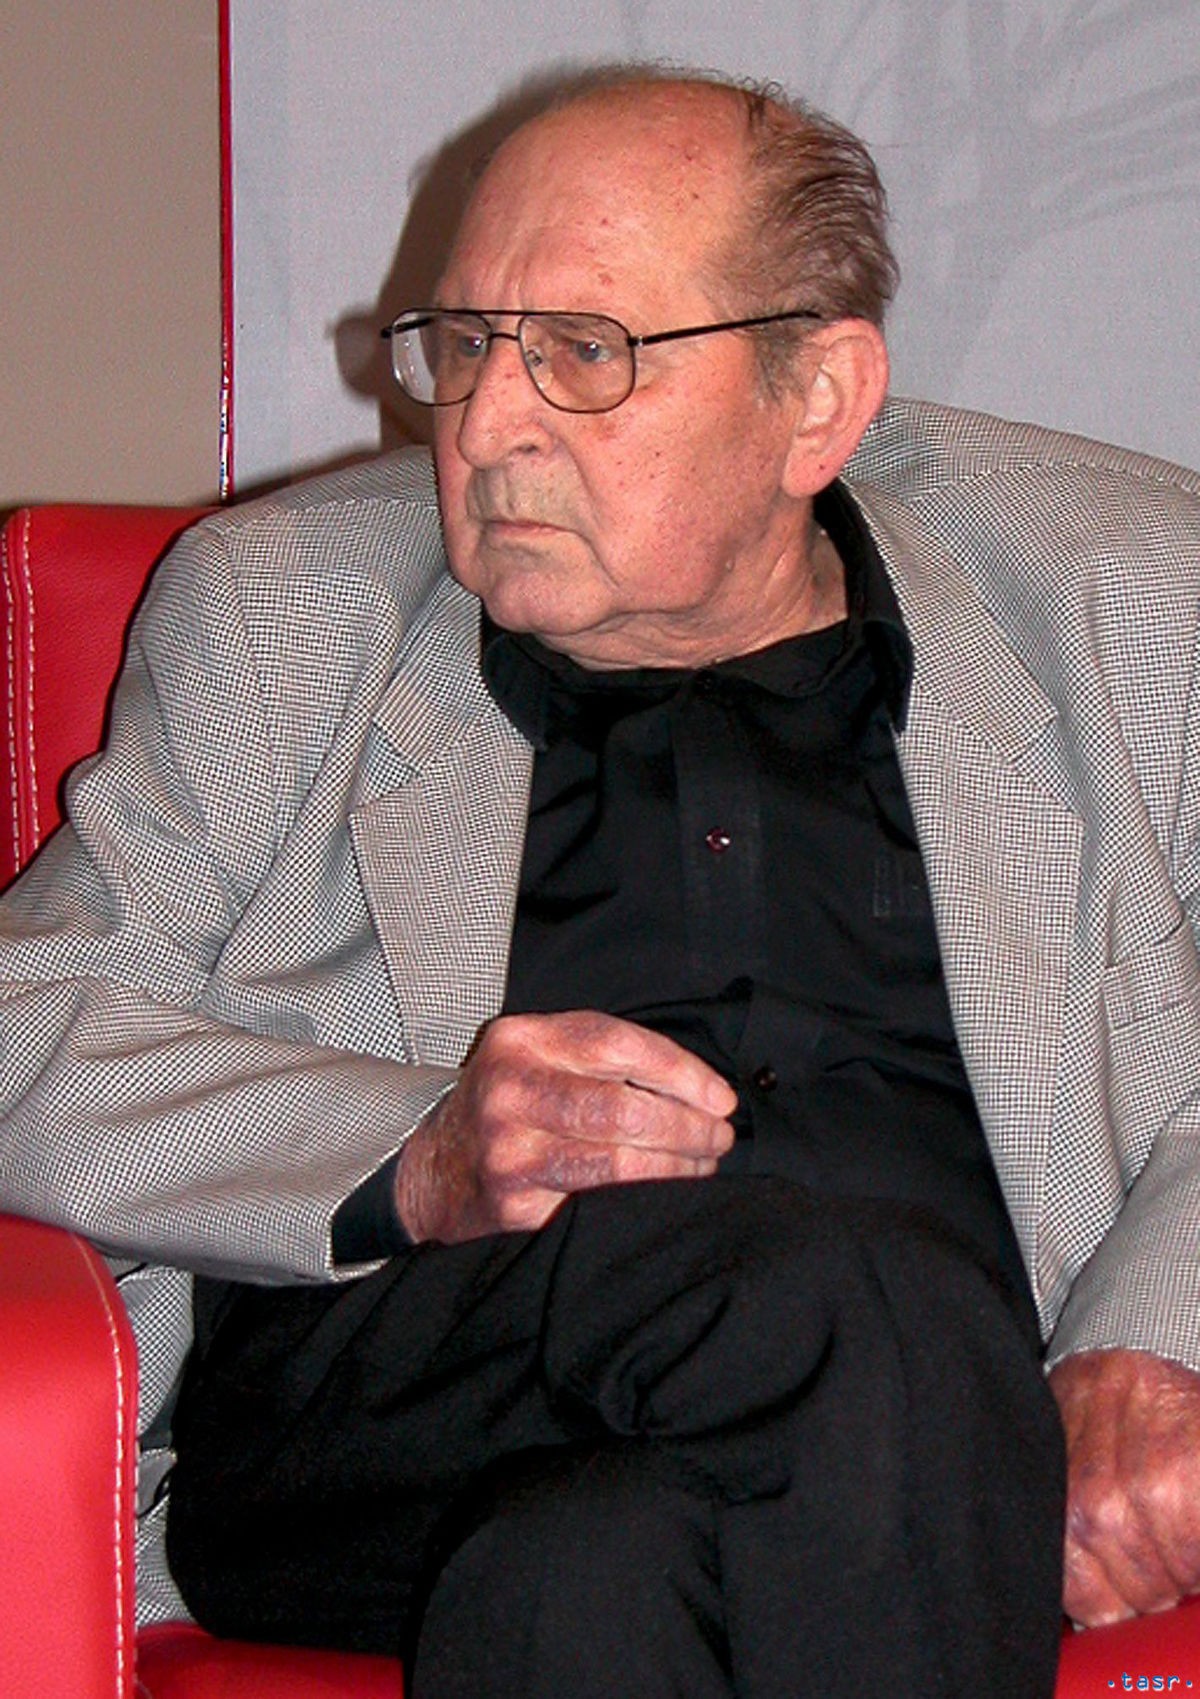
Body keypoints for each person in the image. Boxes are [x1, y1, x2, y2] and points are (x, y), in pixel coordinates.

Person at [3, 64, 1200, 1695]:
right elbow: (22, 1026)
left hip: (892, 1456)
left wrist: (1151, 1339)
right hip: (408, 1397)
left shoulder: (1128, 599)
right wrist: (416, 1150)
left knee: (586, 1582)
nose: (485, 426)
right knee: (851, 1299)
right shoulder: (284, 611)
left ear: (818, 400)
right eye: (464, 345)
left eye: (583, 352)